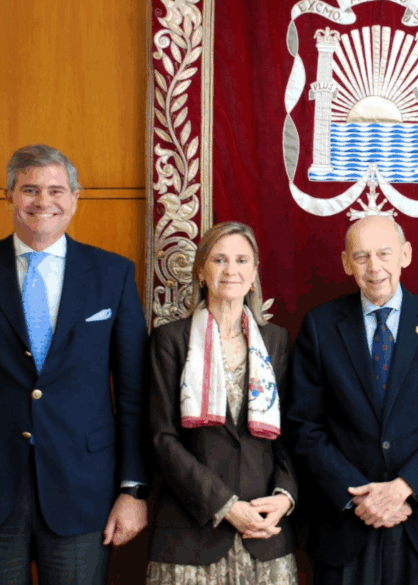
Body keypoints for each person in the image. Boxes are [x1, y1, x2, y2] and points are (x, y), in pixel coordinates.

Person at [0, 144, 149, 584]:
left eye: (56, 190)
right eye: (30, 189)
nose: (43, 202)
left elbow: (134, 394)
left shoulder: (113, 274)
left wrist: (133, 489)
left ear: (75, 198)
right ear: (9, 195)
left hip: (85, 491)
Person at [287, 215, 418, 585]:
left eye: (384, 253)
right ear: (346, 263)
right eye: (361, 256)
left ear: (405, 255)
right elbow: (304, 425)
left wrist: (404, 487)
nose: (374, 267)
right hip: (345, 522)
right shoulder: (319, 326)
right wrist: (361, 497)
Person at [146, 221, 298, 584]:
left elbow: (293, 431)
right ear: (201, 271)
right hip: (190, 532)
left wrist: (285, 496)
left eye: (242, 260)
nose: (232, 270)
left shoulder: (276, 341)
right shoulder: (170, 340)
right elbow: (161, 437)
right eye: (219, 260)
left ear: (255, 272)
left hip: (264, 533)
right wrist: (225, 506)